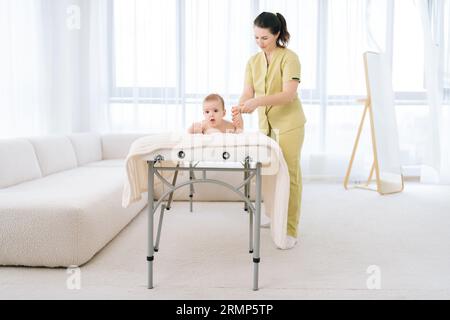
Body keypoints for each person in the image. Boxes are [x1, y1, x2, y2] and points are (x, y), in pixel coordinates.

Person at [232, 12, 306, 249]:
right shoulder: (252, 62)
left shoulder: (290, 58)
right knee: (270, 172)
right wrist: (242, 105)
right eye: (256, 37)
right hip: (266, 125)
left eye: (264, 37)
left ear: (276, 34)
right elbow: (248, 92)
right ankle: (276, 217)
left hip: (289, 124)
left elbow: (288, 95)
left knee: (290, 174)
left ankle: (290, 228)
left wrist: (256, 102)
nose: (259, 42)